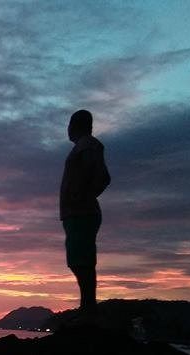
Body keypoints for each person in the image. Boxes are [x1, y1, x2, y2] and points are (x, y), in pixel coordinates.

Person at [60, 109, 110, 320]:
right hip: (76, 213)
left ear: (75, 125)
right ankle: (87, 307)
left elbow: (102, 177)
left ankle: (88, 310)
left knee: (82, 262)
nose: (67, 130)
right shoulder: (84, 146)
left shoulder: (88, 145)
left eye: (69, 125)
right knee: (78, 260)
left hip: (82, 212)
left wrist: (81, 195)